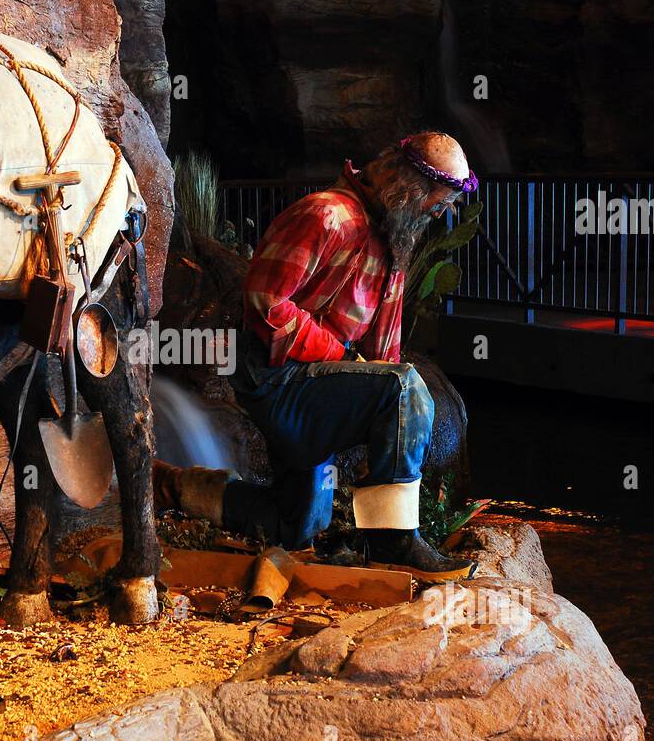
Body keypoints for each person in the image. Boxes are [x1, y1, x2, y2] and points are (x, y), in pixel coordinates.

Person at [155, 132, 479, 581]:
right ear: (410, 189)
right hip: (277, 380)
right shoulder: (326, 215)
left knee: (298, 525)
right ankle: (393, 543)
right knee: (404, 386)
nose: (440, 217)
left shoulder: (394, 241)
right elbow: (266, 300)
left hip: (321, 382)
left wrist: (384, 427)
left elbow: (383, 352)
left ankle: (176, 486)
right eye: (438, 205)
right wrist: (344, 356)